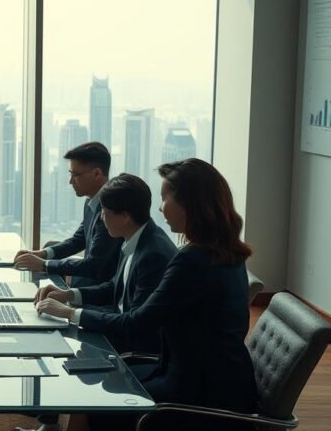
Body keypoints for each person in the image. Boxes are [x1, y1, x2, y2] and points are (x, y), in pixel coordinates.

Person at [36, 159, 257, 431]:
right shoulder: (223, 251)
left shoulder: (192, 261)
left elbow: (138, 322)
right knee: (92, 386)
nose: (161, 207)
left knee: (93, 403)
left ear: (189, 204)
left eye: (165, 198)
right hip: (218, 378)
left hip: (201, 391)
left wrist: (71, 314)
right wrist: (71, 298)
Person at [35, 173, 176, 354]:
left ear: (125, 217)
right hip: (117, 331)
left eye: (104, 211)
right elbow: (114, 287)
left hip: (130, 349)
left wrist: (70, 313)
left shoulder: (153, 255)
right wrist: (68, 295)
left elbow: (134, 324)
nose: (101, 218)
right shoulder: (135, 238)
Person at [14, 142, 121, 288]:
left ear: (96, 173)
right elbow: (79, 240)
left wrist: (44, 265)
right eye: (71, 174)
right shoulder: (91, 201)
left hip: (97, 289)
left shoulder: (110, 211)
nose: (71, 181)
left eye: (76, 175)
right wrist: (42, 254)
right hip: (88, 280)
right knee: (48, 250)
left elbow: (93, 265)